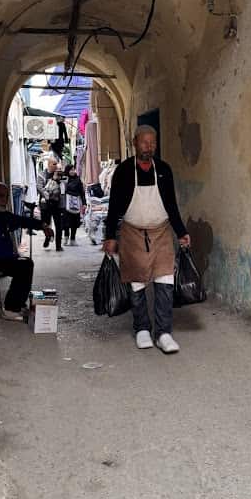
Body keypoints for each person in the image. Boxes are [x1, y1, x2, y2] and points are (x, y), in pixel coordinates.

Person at [103, 125, 190, 354]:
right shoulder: (123, 171)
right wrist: (110, 236)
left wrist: (181, 232)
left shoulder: (163, 170)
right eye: (144, 142)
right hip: (132, 233)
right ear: (135, 142)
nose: (149, 147)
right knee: (136, 282)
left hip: (161, 233)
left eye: (153, 143)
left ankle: (163, 333)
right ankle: (141, 327)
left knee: (165, 281)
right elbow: (113, 208)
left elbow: (171, 204)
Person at [0, 182, 53, 321]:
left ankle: (16, 304)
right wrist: (14, 257)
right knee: (24, 266)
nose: (5, 200)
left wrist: (42, 225)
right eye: (1, 196)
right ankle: (12, 308)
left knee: (23, 263)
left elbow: (18, 220)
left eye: (6, 196)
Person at [37, 158, 64, 251]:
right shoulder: (41, 175)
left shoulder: (59, 174)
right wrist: (48, 194)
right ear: (48, 164)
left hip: (57, 204)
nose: (56, 166)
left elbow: (63, 188)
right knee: (46, 224)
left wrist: (59, 179)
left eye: (56, 164)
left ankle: (58, 245)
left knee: (59, 225)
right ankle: (47, 238)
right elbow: (40, 188)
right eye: (54, 164)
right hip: (46, 204)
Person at [62, 165, 87, 245]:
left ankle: (73, 239)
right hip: (66, 202)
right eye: (70, 170)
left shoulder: (77, 179)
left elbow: (82, 192)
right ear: (67, 171)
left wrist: (84, 203)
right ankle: (66, 237)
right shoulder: (64, 179)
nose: (72, 171)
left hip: (76, 202)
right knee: (66, 221)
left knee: (75, 222)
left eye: (73, 170)